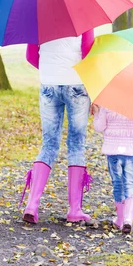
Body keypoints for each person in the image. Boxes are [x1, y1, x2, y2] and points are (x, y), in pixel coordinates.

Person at [20, 30, 94, 224]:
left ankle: (32, 206)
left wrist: (50, 71)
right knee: (76, 144)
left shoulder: (38, 20)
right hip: (77, 85)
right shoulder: (83, 18)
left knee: (49, 144)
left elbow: (30, 56)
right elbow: (88, 53)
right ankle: (74, 210)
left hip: (49, 83)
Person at [92, 104, 133, 234]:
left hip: (113, 150)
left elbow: (99, 127)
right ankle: (128, 219)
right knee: (130, 183)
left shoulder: (107, 103)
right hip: (131, 151)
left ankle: (120, 219)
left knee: (118, 183)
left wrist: (97, 112)